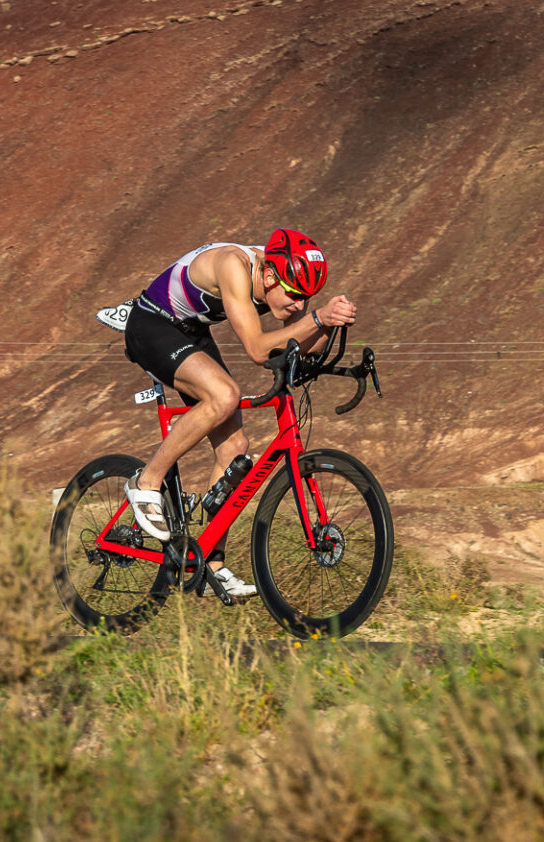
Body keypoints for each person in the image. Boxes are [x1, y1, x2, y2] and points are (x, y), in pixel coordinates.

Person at [102, 229, 357, 599]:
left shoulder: (281, 278)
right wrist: (318, 317)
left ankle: (211, 564)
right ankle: (147, 481)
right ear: (269, 276)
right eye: (295, 296)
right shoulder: (233, 266)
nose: (299, 305)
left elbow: (300, 340)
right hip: (152, 325)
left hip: (191, 331)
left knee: (235, 447)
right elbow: (257, 349)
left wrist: (331, 326)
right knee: (224, 396)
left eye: (306, 298)